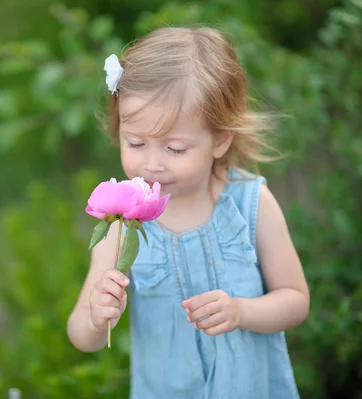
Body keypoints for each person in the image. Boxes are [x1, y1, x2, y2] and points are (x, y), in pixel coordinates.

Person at [67, 26, 310, 399]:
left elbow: (295, 300)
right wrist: (97, 317)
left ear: (220, 140)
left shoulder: (251, 204)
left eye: (175, 149)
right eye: (135, 142)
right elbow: (82, 337)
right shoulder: (120, 225)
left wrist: (242, 312)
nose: (151, 164)